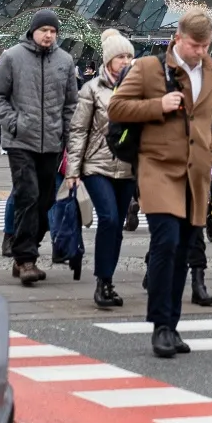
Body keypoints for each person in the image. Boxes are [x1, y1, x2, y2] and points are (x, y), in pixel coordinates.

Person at [108, 11, 212, 358]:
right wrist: (157, 106)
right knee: (165, 242)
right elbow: (117, 108)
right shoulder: (149, 68)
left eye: (206, 46)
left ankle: (173, 325)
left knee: (184, 249)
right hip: (158, 167)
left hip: (197, 172)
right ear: (178, 38)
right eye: (195, 45)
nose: (200, 52)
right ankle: (160, 326)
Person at [0, 9, 81, 285]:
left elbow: (70, 104)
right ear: (33, 31)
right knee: (27, 195)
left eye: (53, 31)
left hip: (52, 142)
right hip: (21, 141)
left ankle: (25, 247)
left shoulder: (65, 60)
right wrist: (13, 123)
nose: (48, 35)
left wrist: (67, 135)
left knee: (46, 199)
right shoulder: (13, 57)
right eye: (44, 30)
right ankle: (26, 259)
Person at [67, 31, 140, 310]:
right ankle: (101, 281)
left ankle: (107, 280)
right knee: (108, 218)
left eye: (129, 56)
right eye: (120, 56)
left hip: (128, 168)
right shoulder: (92, 89)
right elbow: (78, 131)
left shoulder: (139, 88)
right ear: (108, 61)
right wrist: (73, 171)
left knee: (117, 225)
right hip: (97, 165)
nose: (125, 61)